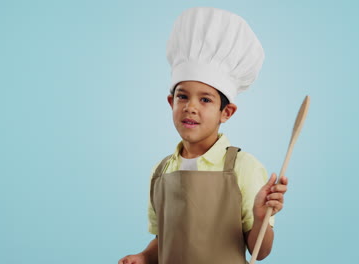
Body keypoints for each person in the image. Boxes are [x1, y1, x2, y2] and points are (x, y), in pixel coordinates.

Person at [119, 7, 288, 264]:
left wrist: (262, 217)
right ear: (170, 102)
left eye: (206, 99)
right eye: (182, 96)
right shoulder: (161, 171)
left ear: (226, 112)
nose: (191, 107)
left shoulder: (244, 167)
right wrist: (144, 257)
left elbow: (259, 252)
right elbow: (166, 238)